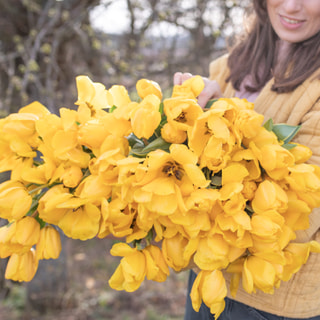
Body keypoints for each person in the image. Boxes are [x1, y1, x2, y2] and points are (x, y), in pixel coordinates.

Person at [174, 0, 320, 319]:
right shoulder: (231, 64)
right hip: (207, 278)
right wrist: (191, 114)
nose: (292, 6)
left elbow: (304, 215)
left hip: (271, 302)